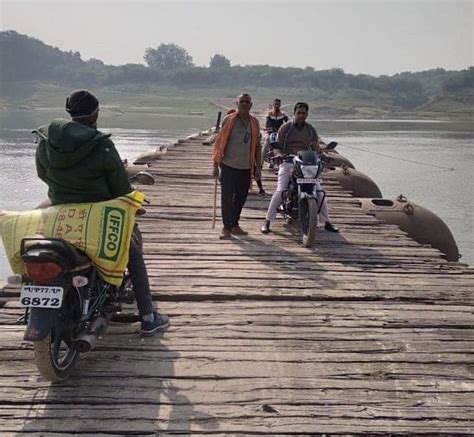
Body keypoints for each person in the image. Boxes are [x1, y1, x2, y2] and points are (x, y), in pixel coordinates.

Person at [35, 89, 169, 336]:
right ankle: (149, 317)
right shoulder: (101, 145)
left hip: (59, 210)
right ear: (95, 113)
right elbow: (120, 188)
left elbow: (42, 174)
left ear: (69, 110)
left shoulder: (47, 140)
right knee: (133, 253)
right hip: (98, 213)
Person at [261, 102, 339, 234]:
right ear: (294, 113)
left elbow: (315, 147)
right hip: (288, 161)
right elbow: (277, 146)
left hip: (306, 162)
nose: (301, 115)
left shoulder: (310, 129)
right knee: (281, 191)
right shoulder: (286, 128)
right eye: (299, 113)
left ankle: (326, 222)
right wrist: (279, 155)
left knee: (319, 191)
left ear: (307, 114)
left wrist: (323, 155)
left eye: (304, 113)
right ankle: (268, 221)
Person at [212, 93, 262, 239]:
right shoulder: (229, 120)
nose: (245, 104)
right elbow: (219, 143)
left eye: (247, 102)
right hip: (228, 165)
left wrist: (258, 167)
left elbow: (258, 146)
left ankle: (234, 224)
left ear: (251, 105)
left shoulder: (254, 122)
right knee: (227, 197)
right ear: (237, 103)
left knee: (241, 197)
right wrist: (215, 165)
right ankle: (226, 227)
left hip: (246, 167)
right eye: (242, 102)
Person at [262, 99, 289, 168]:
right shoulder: (269, 114)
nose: (277, 105)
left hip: (280, 133)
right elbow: (267, 125)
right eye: (275, 104)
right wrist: (269, 129)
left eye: (278, 104)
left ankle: (283, 162)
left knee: (284, 145)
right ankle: (260, 163)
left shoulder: (283, 114)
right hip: (271, 133)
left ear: (280, 105)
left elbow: (288, 124)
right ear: (273, 105)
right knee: (266, 145)